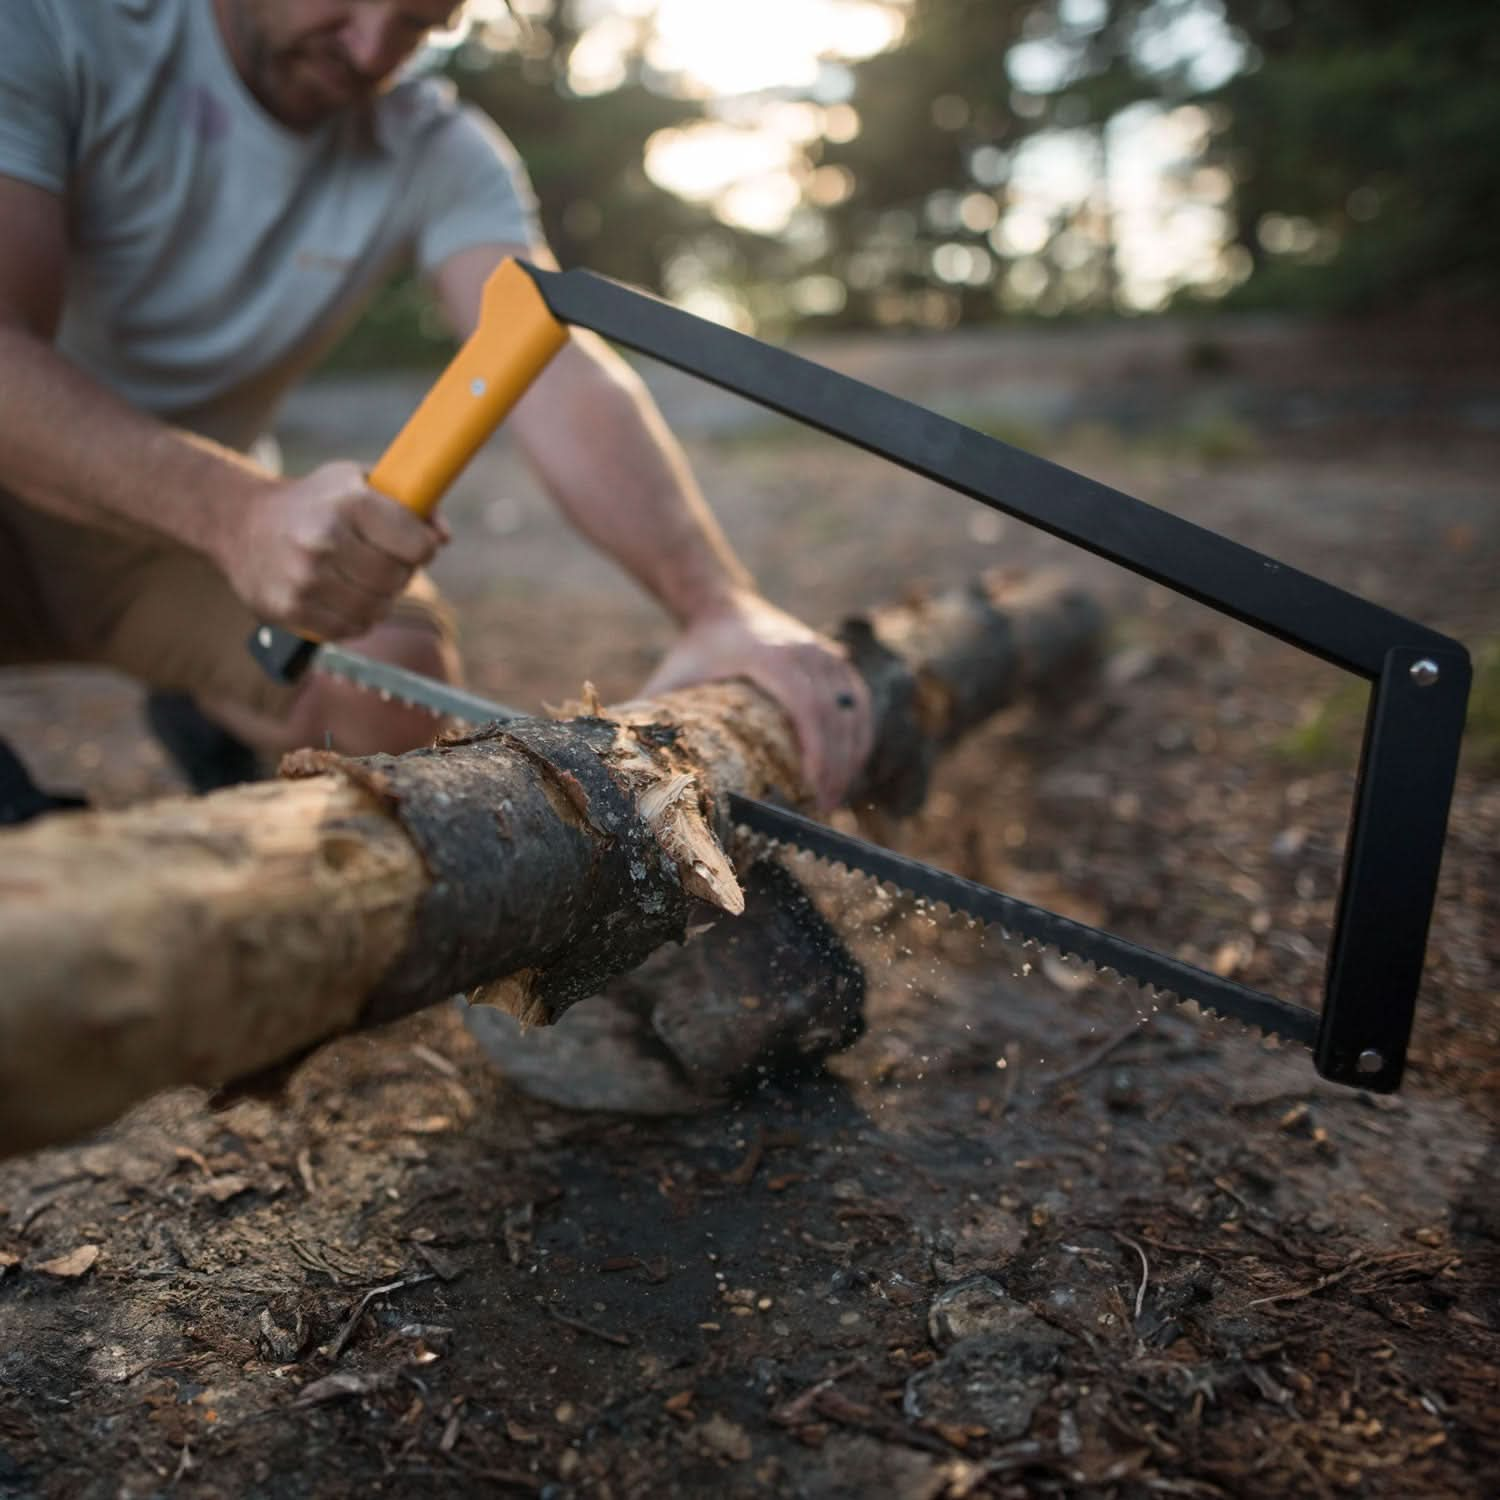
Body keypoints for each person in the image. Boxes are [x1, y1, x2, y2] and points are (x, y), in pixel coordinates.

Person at [0, 0, 873, 814]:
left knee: (383, 677)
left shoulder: (434, 146)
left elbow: (545, 359)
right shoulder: (53, 30)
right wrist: (236, 512)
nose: (373, 48)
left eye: (421, 22)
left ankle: (226, 767)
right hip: (74, 489)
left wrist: (716, 604)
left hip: (172, 534)